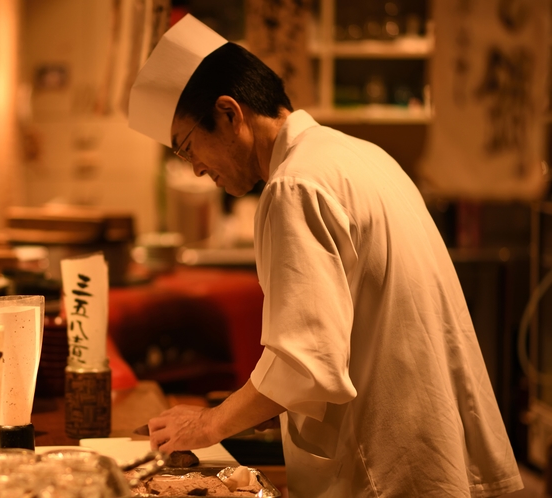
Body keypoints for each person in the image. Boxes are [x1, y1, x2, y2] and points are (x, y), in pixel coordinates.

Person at [127, 15, 523, 497]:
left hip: (387, 464)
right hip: (430, 443)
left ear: (230, 114)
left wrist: (209, 425)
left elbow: (304, 365)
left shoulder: (295, 184)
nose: (195, 171)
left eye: (190, 148)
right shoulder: (357, 154)